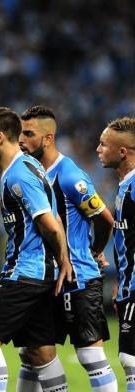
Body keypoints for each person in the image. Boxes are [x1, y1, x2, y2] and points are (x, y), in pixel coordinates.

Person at [0, 107, 72, 392]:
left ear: (0, 136)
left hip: (25, 273)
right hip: (37, 274)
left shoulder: (19, 174)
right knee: (39, 351)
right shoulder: (27, 166)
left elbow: (50, 224)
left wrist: (63, 259)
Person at [18, 105, 117, 392]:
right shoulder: (32, 172)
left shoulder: (70, 175)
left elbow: (105, 220)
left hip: (78, 279)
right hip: (44, 277)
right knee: (32, 353)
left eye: (28, 134)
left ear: (48, 138)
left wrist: (94, 251)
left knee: (90, 356)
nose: (21, 139)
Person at [97, 117, 135, 392]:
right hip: (128, 287)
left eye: (103, 144)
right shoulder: (124, 187)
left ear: (122, 152)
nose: (98, 149)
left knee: (130, 360)